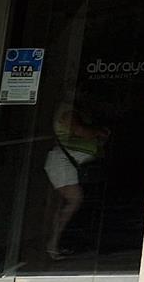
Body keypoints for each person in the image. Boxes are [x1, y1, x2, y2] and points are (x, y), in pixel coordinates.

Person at [44, 99, 109, 261]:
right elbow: (80, 131)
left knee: (70, 203)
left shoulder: (70, 109)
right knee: (73, 201)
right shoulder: (67, 111)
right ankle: (53, 244)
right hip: (63, 164)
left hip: (69, 164)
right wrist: (100, 132)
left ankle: (56, 243)